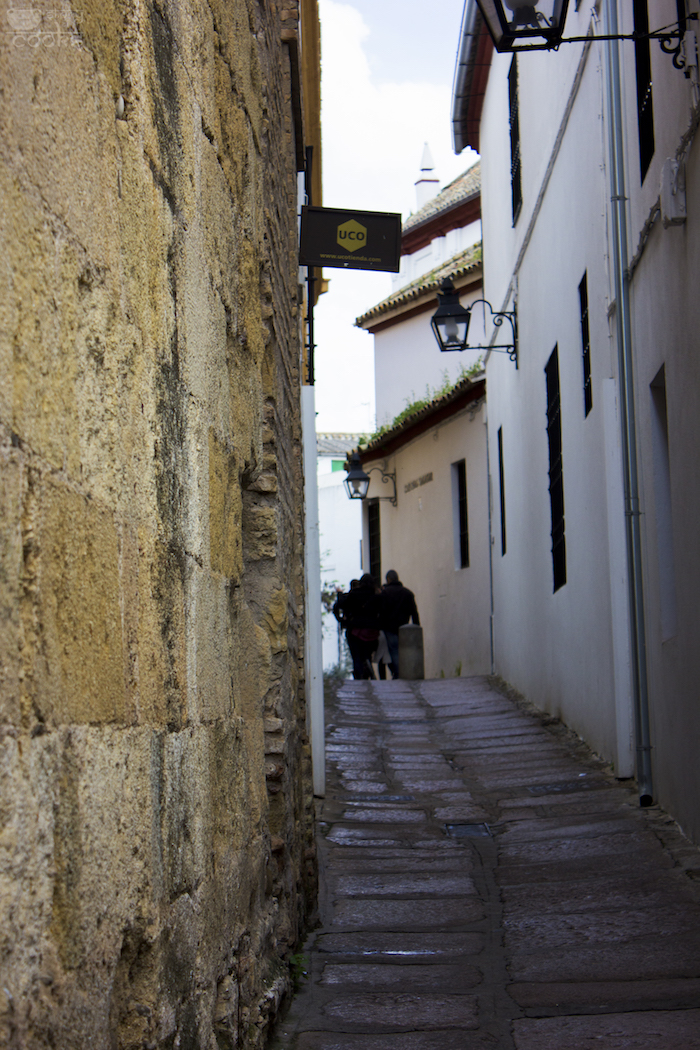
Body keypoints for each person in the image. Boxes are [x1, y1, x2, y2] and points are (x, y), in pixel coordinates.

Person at [379, 569, 420, 679]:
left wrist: (380, 627)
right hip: (404, 628)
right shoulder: (408, 593)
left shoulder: (385, 593)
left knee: (393, 651)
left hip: (389, 628)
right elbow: (414, 612)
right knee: (403, 652)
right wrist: (417, 627)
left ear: (388, 580)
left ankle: (398, 674)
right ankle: (401, 672)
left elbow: (382, 611)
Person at [339, 574, 380, 679]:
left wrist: (340, 594)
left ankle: (359, 676)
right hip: (372, 631)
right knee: (367, 655)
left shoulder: (354, 594)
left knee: (356, 656)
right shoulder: (376, 595)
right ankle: (367, 670)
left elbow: (343, 605)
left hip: (355, 630)